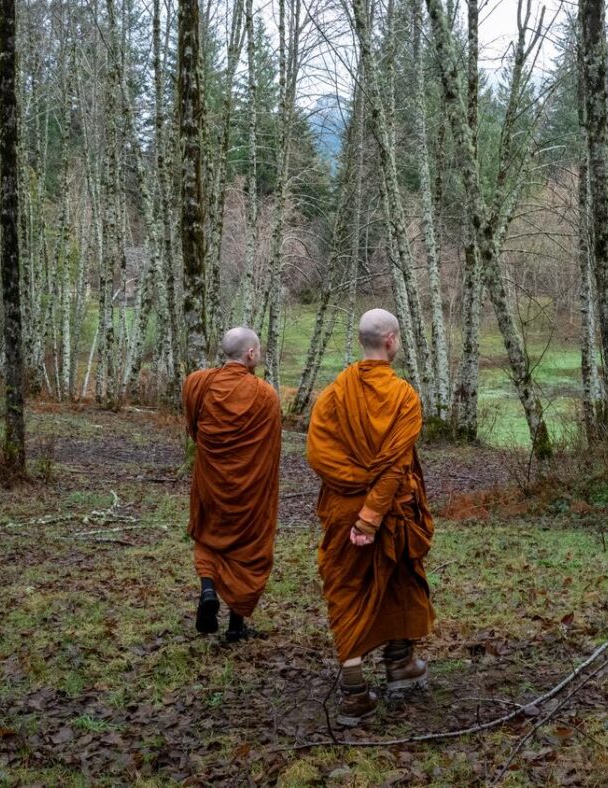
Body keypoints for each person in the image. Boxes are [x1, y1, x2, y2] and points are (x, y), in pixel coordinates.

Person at [306, 308, 435, 726]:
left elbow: (317, 457)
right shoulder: (404, 397)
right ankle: (360, 689)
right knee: (387, 578)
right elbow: (394, 466)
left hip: (346, 507)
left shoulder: (332, 395)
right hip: (382, 511)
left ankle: (388, 669)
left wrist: (358, 494)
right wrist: (370, 515)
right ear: (392, 341)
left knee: (358, 586)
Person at [182, 327, 282, 643]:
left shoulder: (197, 383)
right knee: (246, 547)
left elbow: (194, 428)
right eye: (259, 350)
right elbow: (270, 447)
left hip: (211, 481)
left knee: (209, 535)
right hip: (250, 488)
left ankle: (208, 590)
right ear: (250, 354)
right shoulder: (265, 394)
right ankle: (236, 626)